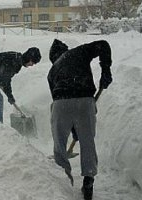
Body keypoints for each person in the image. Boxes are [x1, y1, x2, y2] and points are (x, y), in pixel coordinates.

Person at [48, 39, 112, 200]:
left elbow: (57, 98)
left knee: (59, 143)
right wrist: (106, 70)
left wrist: (72, 128)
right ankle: (88, 181)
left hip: (60, 104)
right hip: (84, 100)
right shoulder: (79, 51)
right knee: (88, 142)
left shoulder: (52, 70)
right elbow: (103, 44)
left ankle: (63, 181)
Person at [0, 47, 41, 123]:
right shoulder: (14, 61)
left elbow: (6, 77)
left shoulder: (17, 59)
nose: (32, 65)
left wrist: (5, 87)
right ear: (29, 58)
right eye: (33, 62)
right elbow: (6, 79)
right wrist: (9, 95)